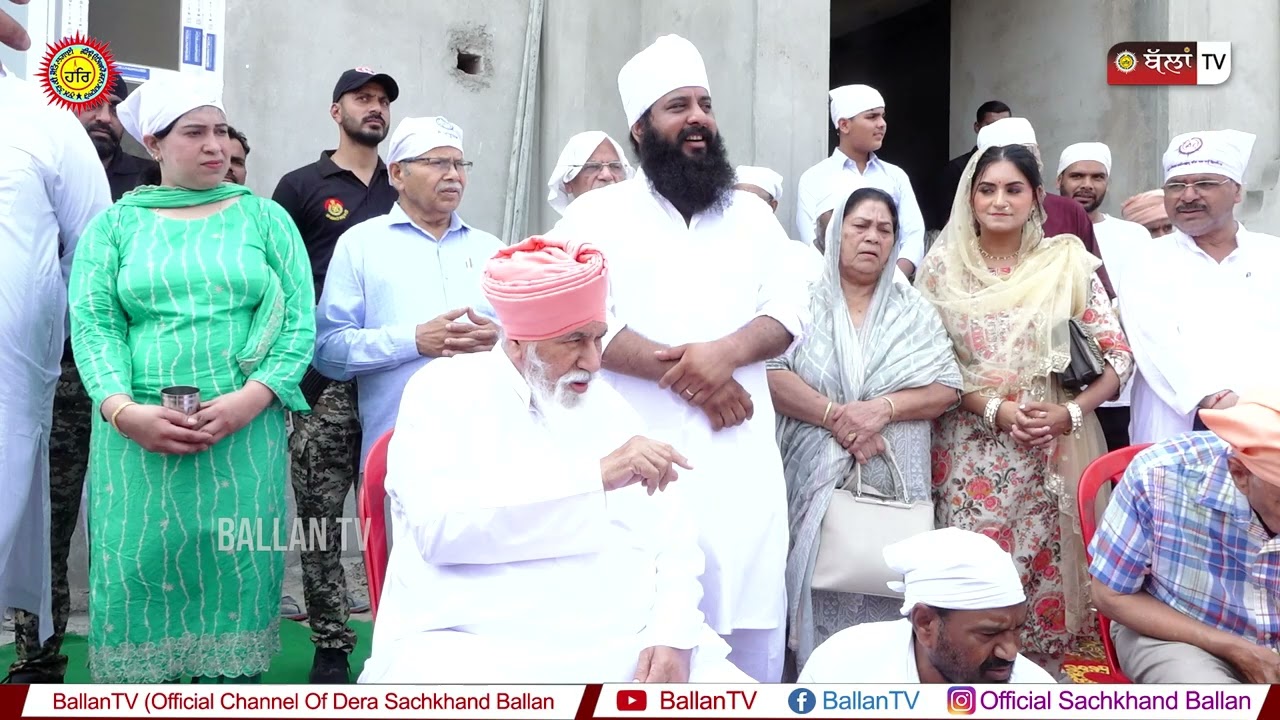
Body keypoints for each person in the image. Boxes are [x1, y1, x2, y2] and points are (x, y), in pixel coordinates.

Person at [360, 236, 751, 683]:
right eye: (575, 340)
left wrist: (673, 628)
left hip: (625, 642)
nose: (595, 360)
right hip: (477, 645)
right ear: (519, 340)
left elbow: (672, 528)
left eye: (599, 338)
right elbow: (442, 529)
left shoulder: (603, 402)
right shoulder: (442, 391)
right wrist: (596, 477)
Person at [545, 34, 809, 682]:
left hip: (741, 468)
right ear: (640, 128)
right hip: (638, 466)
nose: (697, 118)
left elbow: (789, 313)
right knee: (640, 649)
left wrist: (725, 354)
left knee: (748, 654)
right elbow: (569, 322)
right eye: (677, 106)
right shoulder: (593, 216)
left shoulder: (752, 217)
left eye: (705, 104)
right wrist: (697, 379)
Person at [68, 76, 315, 683]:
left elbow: (299, 323)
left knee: (233, 566)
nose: (215, 145)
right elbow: (95, 327)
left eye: (221, 131)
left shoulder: (267, 220)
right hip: (136, 440)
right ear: (154, 142)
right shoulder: (115, 226)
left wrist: (249, 402)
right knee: (136, 568)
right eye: (195, 132)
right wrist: (124, 411)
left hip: (243, 434)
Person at [915, 142, 1134, 660]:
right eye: (987, 189)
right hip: (968, 457)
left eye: (1014, 189)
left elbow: (1118, 357)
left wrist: (1070, 413)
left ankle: (1039, 691)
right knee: (971, 582)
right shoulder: (941, 269)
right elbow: (927, 364)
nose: (999, 201)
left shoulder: (1066, 263)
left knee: (1046, 587)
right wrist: (995, 409)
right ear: (969, 198)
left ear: (1037, 196)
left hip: (1052, 456)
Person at [767, 187, 963, 670]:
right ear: (836, 234)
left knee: (886, 592)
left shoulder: (911, 309)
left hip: (892, 484)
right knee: (816, 584)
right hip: (812, 480)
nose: (872, 238)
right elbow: (770, 373)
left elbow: (948, 387)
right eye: (860, 226)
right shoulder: (802, 303)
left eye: (884, 229)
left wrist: (884, 409)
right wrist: (837, 417)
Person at [270, 67, 400, 680]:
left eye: (382, 101)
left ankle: (404, 629)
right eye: (363, 98)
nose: (375, 109)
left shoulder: (406, 188)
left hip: (396, 373)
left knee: (401, 507)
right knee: (321, 514)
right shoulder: (300, 187)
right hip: (322, 382)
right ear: (336, 111)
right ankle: (330, 641)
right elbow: (276, 282)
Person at [0, 55, 112, 685]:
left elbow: (88, 261)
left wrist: (52, 330)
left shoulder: (46, 132)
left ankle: (40, 660)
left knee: (44, 512)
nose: (99, 113)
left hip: (55, 375)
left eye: (108, 104)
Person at [314, 114, 501, 464]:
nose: (453, 175)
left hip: (485, 449)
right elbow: (328, 351)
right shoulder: (361, 245)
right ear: (398, 174)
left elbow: (530, 344)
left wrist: (501, 339)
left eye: (460, 163)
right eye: (437, 163)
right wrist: (413, 341)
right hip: (398, 451)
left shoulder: (492, 250)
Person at [1089, 395, 1280, 683]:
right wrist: (1232, 647)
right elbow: (1111, 595)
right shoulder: (1160, 475)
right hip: (1179, 632)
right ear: (1240, 474)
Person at [1120, 130, 1280, 445]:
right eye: (1176, 186)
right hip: (1181, 430)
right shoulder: (1146, 260)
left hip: (1269, 429)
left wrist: (1264, 411)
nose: (1188, 196)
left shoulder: (1272, 255)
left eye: (1205, 183)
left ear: (1237, 192)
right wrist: (1224, 403)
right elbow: (1158, 347)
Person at [798, 528, 1056, 683]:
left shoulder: (1035, 693)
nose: (1010, 652)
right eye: (989, 633)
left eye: (1016, 630)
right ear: (924, 623)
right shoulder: (844, 667)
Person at [1057, 142, 1152, 451]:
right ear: (1059, 180)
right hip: (1061, 389)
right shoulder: (1043, 233)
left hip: (1121, 387)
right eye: (1077, 176)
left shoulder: (1134, 235)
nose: (1087, 185)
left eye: (1097, 177)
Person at [975, 118, 1115, 298]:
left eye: (1027, 152)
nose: (1000, 202)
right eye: (987, 190)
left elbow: (1095, 291)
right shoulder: (964, 224)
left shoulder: (1069, 211)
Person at [795, 85, 925, 277]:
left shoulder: (895, 176)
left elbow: (913, 236)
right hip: (830, 288)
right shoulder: (815, 178)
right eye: (872, 117)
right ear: (844, 125)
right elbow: (811, 242)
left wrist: (892, 281)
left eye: (882, 116)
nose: (881, 124)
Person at [74, 75, 159, 200]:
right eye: (93, 104)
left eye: (116, 109)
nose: (105, 117)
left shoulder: (152, 180)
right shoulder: (46, 170)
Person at [932, 100, 1011, 231]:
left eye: (1003, 126)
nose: (998, 131)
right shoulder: (956, 169)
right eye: (990, 126)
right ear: (977, 127)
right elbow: (947, 221)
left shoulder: (1017, 168)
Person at [546, 131, 631, 215]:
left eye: (615, 166)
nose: (607, 175)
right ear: (568, 183)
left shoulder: (640, 227)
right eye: (593, 166)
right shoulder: (565, 229)